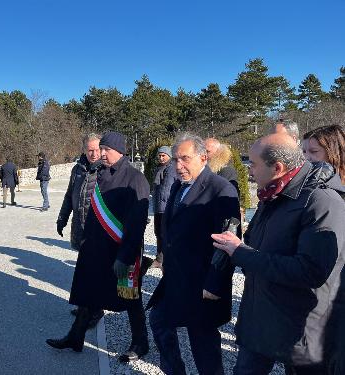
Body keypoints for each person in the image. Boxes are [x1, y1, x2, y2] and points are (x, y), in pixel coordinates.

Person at [211, 133, 345, 375]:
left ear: (278, 167)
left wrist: (241, 253)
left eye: (253, 163)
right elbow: (257, 244)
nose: (248, 170)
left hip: (300, 329)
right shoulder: (270, 193)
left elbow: (311, 270)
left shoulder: (322, 202)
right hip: (261, 319)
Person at [46, 131, 150, 362]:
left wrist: (124, 256)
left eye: (107, 150)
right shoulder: (100, 174)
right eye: (100, 149)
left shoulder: (135, 179)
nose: (102, 154)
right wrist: (86, 241)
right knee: (89, 291)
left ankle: (141, 342)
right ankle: (76, 336)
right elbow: (93, 212)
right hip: (96, 247)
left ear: (120, 151)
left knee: (131, 298)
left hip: (122, 250)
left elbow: (137, 223)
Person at [147, 133, 241, 375]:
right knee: (159, 319)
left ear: (203, 157)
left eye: (185, 159)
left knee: (203, 342)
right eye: (176, 160)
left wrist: (214, 283)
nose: (178, 166)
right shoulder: (179, 185)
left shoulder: (222, 190)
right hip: (177, 277)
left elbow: (227, 242)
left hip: (202, 283)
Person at [302, 124, 345, 375]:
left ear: (334, 153)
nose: (306, 159)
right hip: (313, 291)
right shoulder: (311, 189)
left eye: (313, 152)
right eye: (304, 152)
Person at [57, 133, 103, 327]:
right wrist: (62, 218)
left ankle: (96, 310)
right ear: (84, 150)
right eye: (90, 150)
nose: (93, 154)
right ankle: (85, 306)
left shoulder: (106, 170)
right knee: (84, 271)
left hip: (97, 231)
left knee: (95, 273)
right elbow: (69, 196)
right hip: (80, 227)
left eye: (97, 150)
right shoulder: (78, 169)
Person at [151, 145, 178, 269]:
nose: (161, 158)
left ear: (169, 156)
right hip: (158, 206)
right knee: (158, 233)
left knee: (163, 233)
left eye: (163, 155)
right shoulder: (160, 168)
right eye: (160, 156)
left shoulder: (171, 169)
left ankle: (164, 259)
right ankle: (160, 258)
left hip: (165, 207)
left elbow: (166, 189)